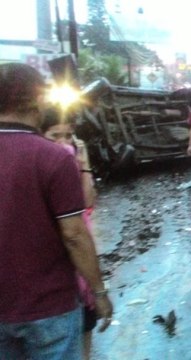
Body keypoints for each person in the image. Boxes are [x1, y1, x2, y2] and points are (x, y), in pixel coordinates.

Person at [0, 63, 113, 360]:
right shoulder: (53, 157)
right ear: (38, 99)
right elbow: (74, 234)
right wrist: (98, 292)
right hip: (49, 308)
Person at [41, 109, 99, 360]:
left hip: (79, 265)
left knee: (85, 326)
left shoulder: (72, 164)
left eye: (68, 136)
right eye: (55, 135)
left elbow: (87, 201)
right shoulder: (36, 164)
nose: (63, 143)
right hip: (55, 264)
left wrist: (84, 165)